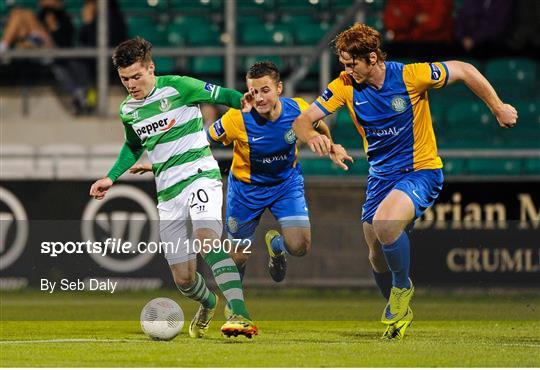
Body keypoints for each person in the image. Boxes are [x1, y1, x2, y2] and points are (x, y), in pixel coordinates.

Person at [292, 23, 517, 340]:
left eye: (351, 63)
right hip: (380, 177)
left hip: (420, 170)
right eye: (343, 63)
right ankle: (399, 313)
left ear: (372, 58)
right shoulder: (344, 86)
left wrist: (498, 107)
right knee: (375, 253)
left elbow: (464, 69)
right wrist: (314, 136)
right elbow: (302, 120)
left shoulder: (410, 76)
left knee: (386, 224)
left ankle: (402, 290)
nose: (346, 70)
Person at [131, 62, 349, 319]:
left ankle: (276, 246)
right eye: (253, 92)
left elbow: (318, 123)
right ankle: (235, 308)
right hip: (246, 192)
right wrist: (159, 161)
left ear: (279, 88)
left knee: (300, 246)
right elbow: (202, 139)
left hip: (285, 186)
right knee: (237, 259)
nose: (259, 97)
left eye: (265, 90)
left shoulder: (298, 109)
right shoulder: (236, 118)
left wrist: (332, 146)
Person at [89, 37, 257, 339]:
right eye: (125, 79)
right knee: (183, 279)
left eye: (137, 76)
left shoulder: (179, 86)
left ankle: (240, 314)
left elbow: (220, 93)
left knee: (206, 240)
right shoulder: (128, 109)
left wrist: (241, 101)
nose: (131, 84)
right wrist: (111, 177)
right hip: (167, 194)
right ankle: (208, 303)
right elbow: (133, 145)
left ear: (151, 68)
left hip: (199, 175)